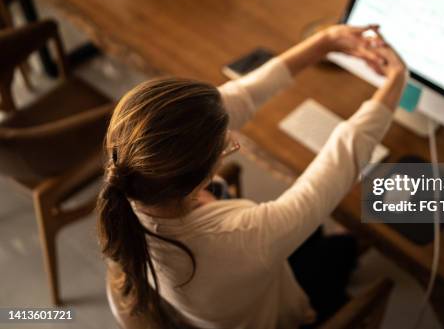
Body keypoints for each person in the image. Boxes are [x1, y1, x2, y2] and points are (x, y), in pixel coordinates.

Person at [96, 24, 408, 329]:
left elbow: (239, 97)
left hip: (224, 291)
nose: (230, 143)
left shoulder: (132, 174)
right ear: (199, 179)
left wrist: (324, 42)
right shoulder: (244, 240)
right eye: (225, 147)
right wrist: (397, 79)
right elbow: (342, 161)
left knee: (310, 233)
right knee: (341, 250)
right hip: (283, 313)